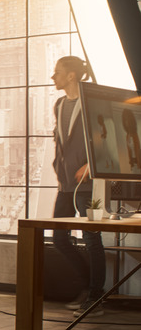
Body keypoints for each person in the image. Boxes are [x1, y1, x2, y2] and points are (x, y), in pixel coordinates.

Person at [50, 55, 105, 316]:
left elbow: (106, 140)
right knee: (59, 237)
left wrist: (92, 167)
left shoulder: (92, 103)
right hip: (65, 184)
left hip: (88, 184)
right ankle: (89, 286)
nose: (54, 77)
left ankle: (95, 297)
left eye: (58, 72)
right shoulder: (60, 104)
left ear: (71, 75)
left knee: (92, 239)